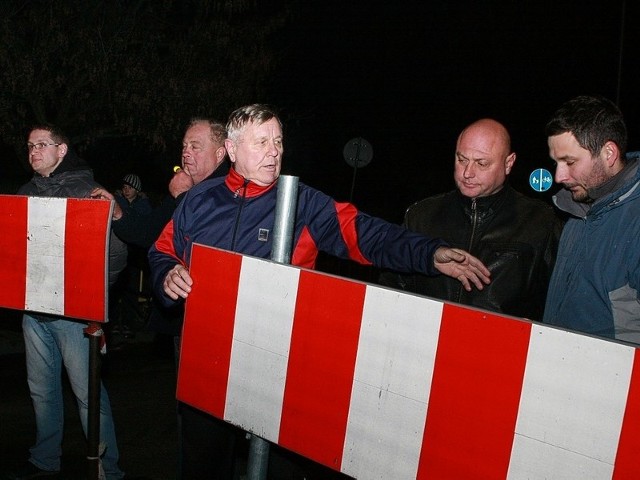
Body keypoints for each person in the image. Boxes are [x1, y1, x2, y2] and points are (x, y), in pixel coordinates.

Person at [148, 103, 492, 479]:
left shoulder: (302, 203)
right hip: (208, 359)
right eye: (261, 141)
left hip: (276, 364)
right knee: (203, 464)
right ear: (231, 151)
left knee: (281, 467)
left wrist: (429, 253)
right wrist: (168, 273)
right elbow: (163, 250)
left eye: (278, 141)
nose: (274, 151)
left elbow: (368, 234)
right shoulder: (200, 199)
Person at [91, 117, 229, 478]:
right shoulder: (183, 192)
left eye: (195, 146)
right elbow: (149, 234)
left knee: (215, 418)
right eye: (184, 145)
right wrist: (117, 210)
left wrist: (186, 197)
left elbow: (210, 240)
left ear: (221, 153)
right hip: (186, 321)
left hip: (221, 326)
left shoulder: (231, 190)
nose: (186, 152)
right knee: (192, 412)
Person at [9, 124, 125, 479]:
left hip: (74, 316)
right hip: (34, 313)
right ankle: (45, 461)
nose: (33, 151)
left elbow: (117, 254)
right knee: (42, 392)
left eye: (42, 144)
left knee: (89, 396)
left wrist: (91, 298)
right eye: (30, 145)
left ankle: (108, 469)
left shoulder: (86, 192)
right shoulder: (25, 192)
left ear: (61, 151)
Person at [379, 118, 563, 320]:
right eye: (462, 159)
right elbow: (390, 291)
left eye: (481, 163)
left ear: (508, 163)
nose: (467, 173)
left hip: (502, 347)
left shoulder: (540, 222)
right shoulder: (421, 216)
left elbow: (558, 302)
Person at [543, 95, 640, 345]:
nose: (559, 176)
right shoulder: (578, 209)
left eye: (569, 162)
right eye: (556, 162)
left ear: (608, 153)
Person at [110, 173, 153, 339]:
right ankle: (113, 323)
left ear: (137, 190)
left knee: (131, 291)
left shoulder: (143, 206)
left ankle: (128, 324)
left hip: (134, 256)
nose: (126, 190)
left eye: (130, 187)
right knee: (114, 290)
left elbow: (142, 225)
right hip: (117, 253)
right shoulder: (118, 201)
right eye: (124, 187)